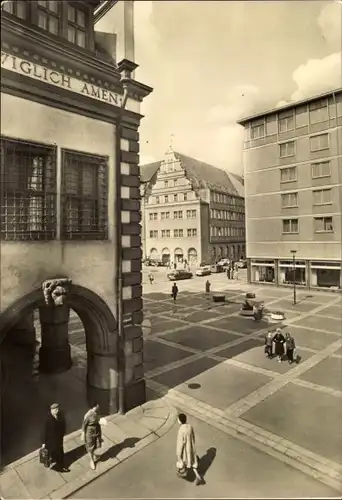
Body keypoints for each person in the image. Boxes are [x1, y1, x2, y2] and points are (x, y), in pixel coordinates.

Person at [176, 413, 202, 485]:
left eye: (178, 420)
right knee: (192, 462)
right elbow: (193, 437)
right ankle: (198, 476)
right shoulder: (190, 426)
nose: (177, 421)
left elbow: (180, 443)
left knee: (182, 462)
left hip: (184, 450)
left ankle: (179, 473)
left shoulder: (181, 430)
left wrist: (178, 454)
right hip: (190, 448)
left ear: (180, 421)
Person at [42, 403, 68, 472]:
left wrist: (62, 434)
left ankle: (59, 465)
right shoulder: (48, 419)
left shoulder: (60, 416)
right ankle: (60, 467)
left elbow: (63, 425)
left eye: (58, 409)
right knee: (54, 453)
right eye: (55, 409)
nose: (57, 411)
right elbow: (45, 431)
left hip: (59, 439)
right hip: (51, 441)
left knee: (59, 452)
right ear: (51, 410)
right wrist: (43, 442)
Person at [81, 403, 103, 470]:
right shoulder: (88, 415)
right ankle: (92, 461)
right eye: (98, 405)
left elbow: (98, 420)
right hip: (89, 433)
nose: (99, 406)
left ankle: (94, 455)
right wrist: (83, 435)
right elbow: (84, 425)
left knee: (95, 445)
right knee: (90, 447)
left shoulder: (96, 412)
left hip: (96, 431)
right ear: (95, 406)